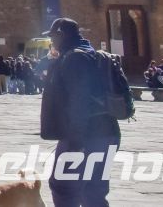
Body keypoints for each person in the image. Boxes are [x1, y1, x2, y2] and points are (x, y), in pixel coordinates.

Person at [41, 17, 129, 207]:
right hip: (107, 133)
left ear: (62, 35)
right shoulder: (90, 54)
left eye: (53, 37)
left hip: (86, 135)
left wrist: (75, 142)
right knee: (93, 192)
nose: (52, 41)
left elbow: (79, 100)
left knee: (63, 187)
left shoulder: (74, 59)